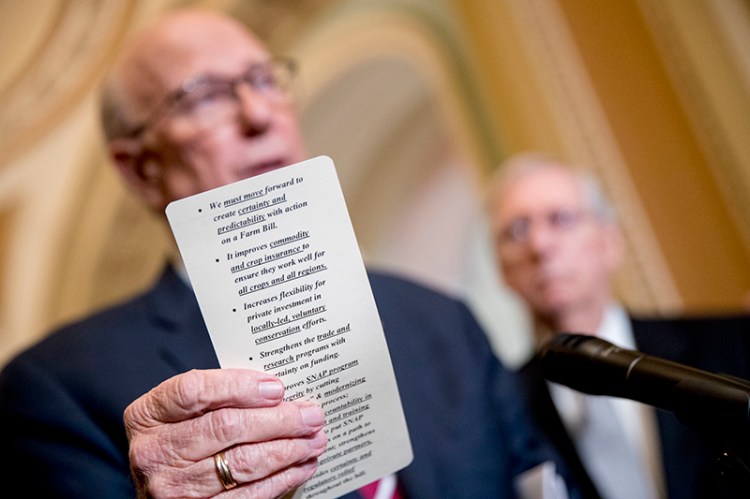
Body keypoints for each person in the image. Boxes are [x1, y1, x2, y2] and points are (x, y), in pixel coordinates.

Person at [0, 10, 567, 499]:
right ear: (141, 169)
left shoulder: (444, 322)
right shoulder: (56, 388)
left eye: (264, 79)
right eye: (206, 95)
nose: (258, 113)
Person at [487, 152, 750, 499]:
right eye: (517, 230)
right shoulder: (501, 409)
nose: (540, 245)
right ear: (503, 271)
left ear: (610, 243)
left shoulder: (728, 343)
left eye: (560, 219)